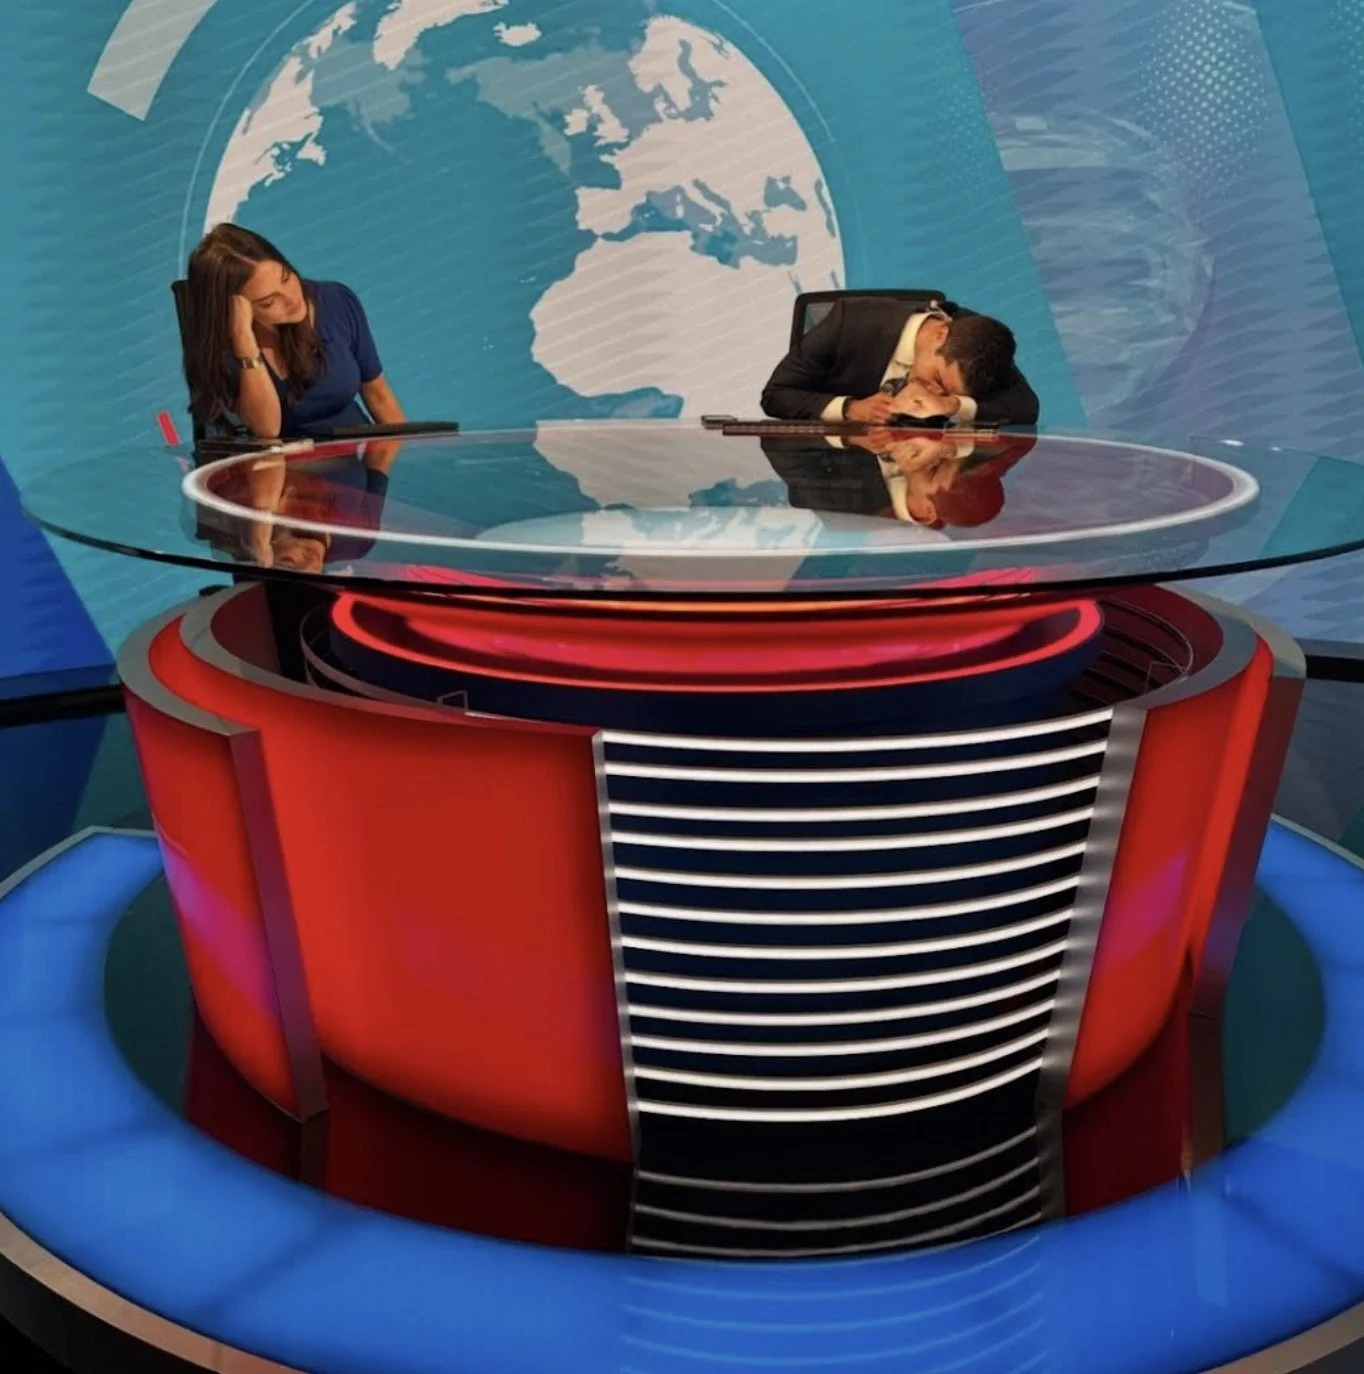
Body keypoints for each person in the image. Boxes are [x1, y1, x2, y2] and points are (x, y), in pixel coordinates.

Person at [182, 223, 407, 439]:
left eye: (286, 278)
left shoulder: (336, 300)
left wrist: (410, 453)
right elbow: (267, 429)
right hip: (285, 461)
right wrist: (244, 342)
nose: (292, 298)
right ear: (235, 310)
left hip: (359, 451)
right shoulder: (226, 349)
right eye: (269, 302)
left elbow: (378, 394)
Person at [760, 296, 1039, 428]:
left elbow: (1026, 407)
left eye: (946, 391)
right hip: (846, 473)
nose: (934, 392)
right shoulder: (848, 323)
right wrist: (849, 408)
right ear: (941, 334)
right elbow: (776, 395)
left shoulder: (981, 341)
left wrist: (951, 405)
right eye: (938, 380)